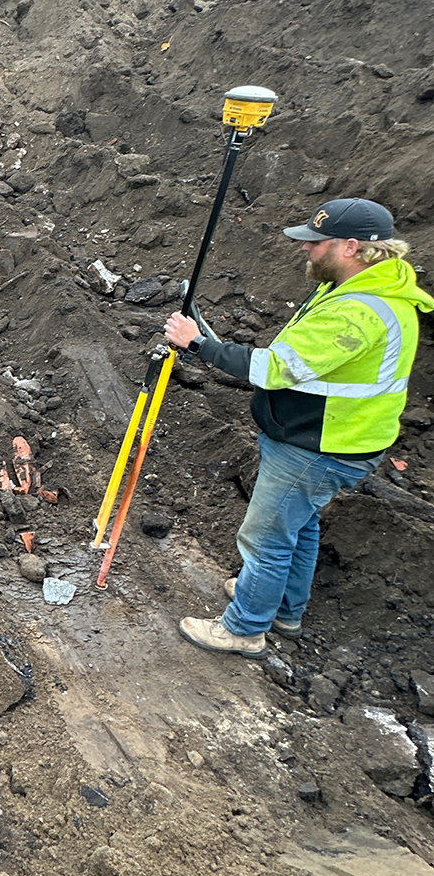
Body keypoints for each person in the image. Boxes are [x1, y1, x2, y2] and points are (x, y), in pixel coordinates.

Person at [163, 197, 431, 657]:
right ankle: (285, 607)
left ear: (351, 246)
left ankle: (245, 628)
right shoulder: (363, 286)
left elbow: (274, 368)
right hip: (332, 438)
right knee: (298, 526)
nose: (305, 250)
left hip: (321, 444)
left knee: (264, 539)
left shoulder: (360, 311)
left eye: (315, 242)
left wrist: (200, 345)